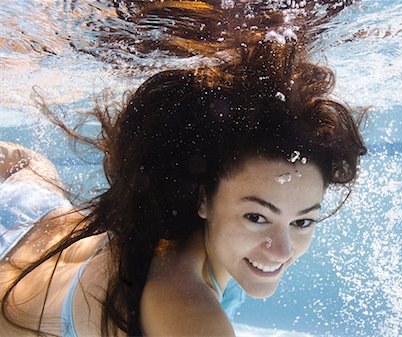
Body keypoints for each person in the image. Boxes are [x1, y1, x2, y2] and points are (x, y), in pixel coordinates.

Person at [0, 3, 366, 337]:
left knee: (23, 164)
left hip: (39, 210)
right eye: (256, 217)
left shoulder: (179, 232)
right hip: (24, 225)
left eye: (303, 222)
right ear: (203, 199)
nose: (281, 249)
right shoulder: (183, 307)